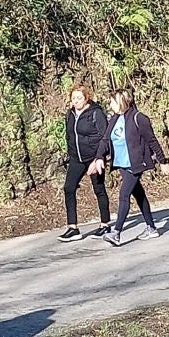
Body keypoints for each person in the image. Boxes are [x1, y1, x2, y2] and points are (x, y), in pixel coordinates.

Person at [103, 89, 169, 245]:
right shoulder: (114, 118)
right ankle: (151, 228)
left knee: (124, 195)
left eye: (113, 102)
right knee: (139, 194)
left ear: (122, 102)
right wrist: (99, 157)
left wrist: (163, 161)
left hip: (136, 163)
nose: (111, 105)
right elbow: (106, 139)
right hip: (121, 163)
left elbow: (152, 140)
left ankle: (116, 233)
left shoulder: (139, 118)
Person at [59, 83, 111, 240]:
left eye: (79, 98)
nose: (76, 101)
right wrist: (71, 153)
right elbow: (70, 136)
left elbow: (105, 137)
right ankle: (72, 228)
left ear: (86, 98)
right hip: (77, 158)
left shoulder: (96, 113)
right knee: (69, 188)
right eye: (73, 98)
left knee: (99, 189)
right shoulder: (70, 114)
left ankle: (105, 224)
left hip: (94, 157)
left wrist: (99, 158)